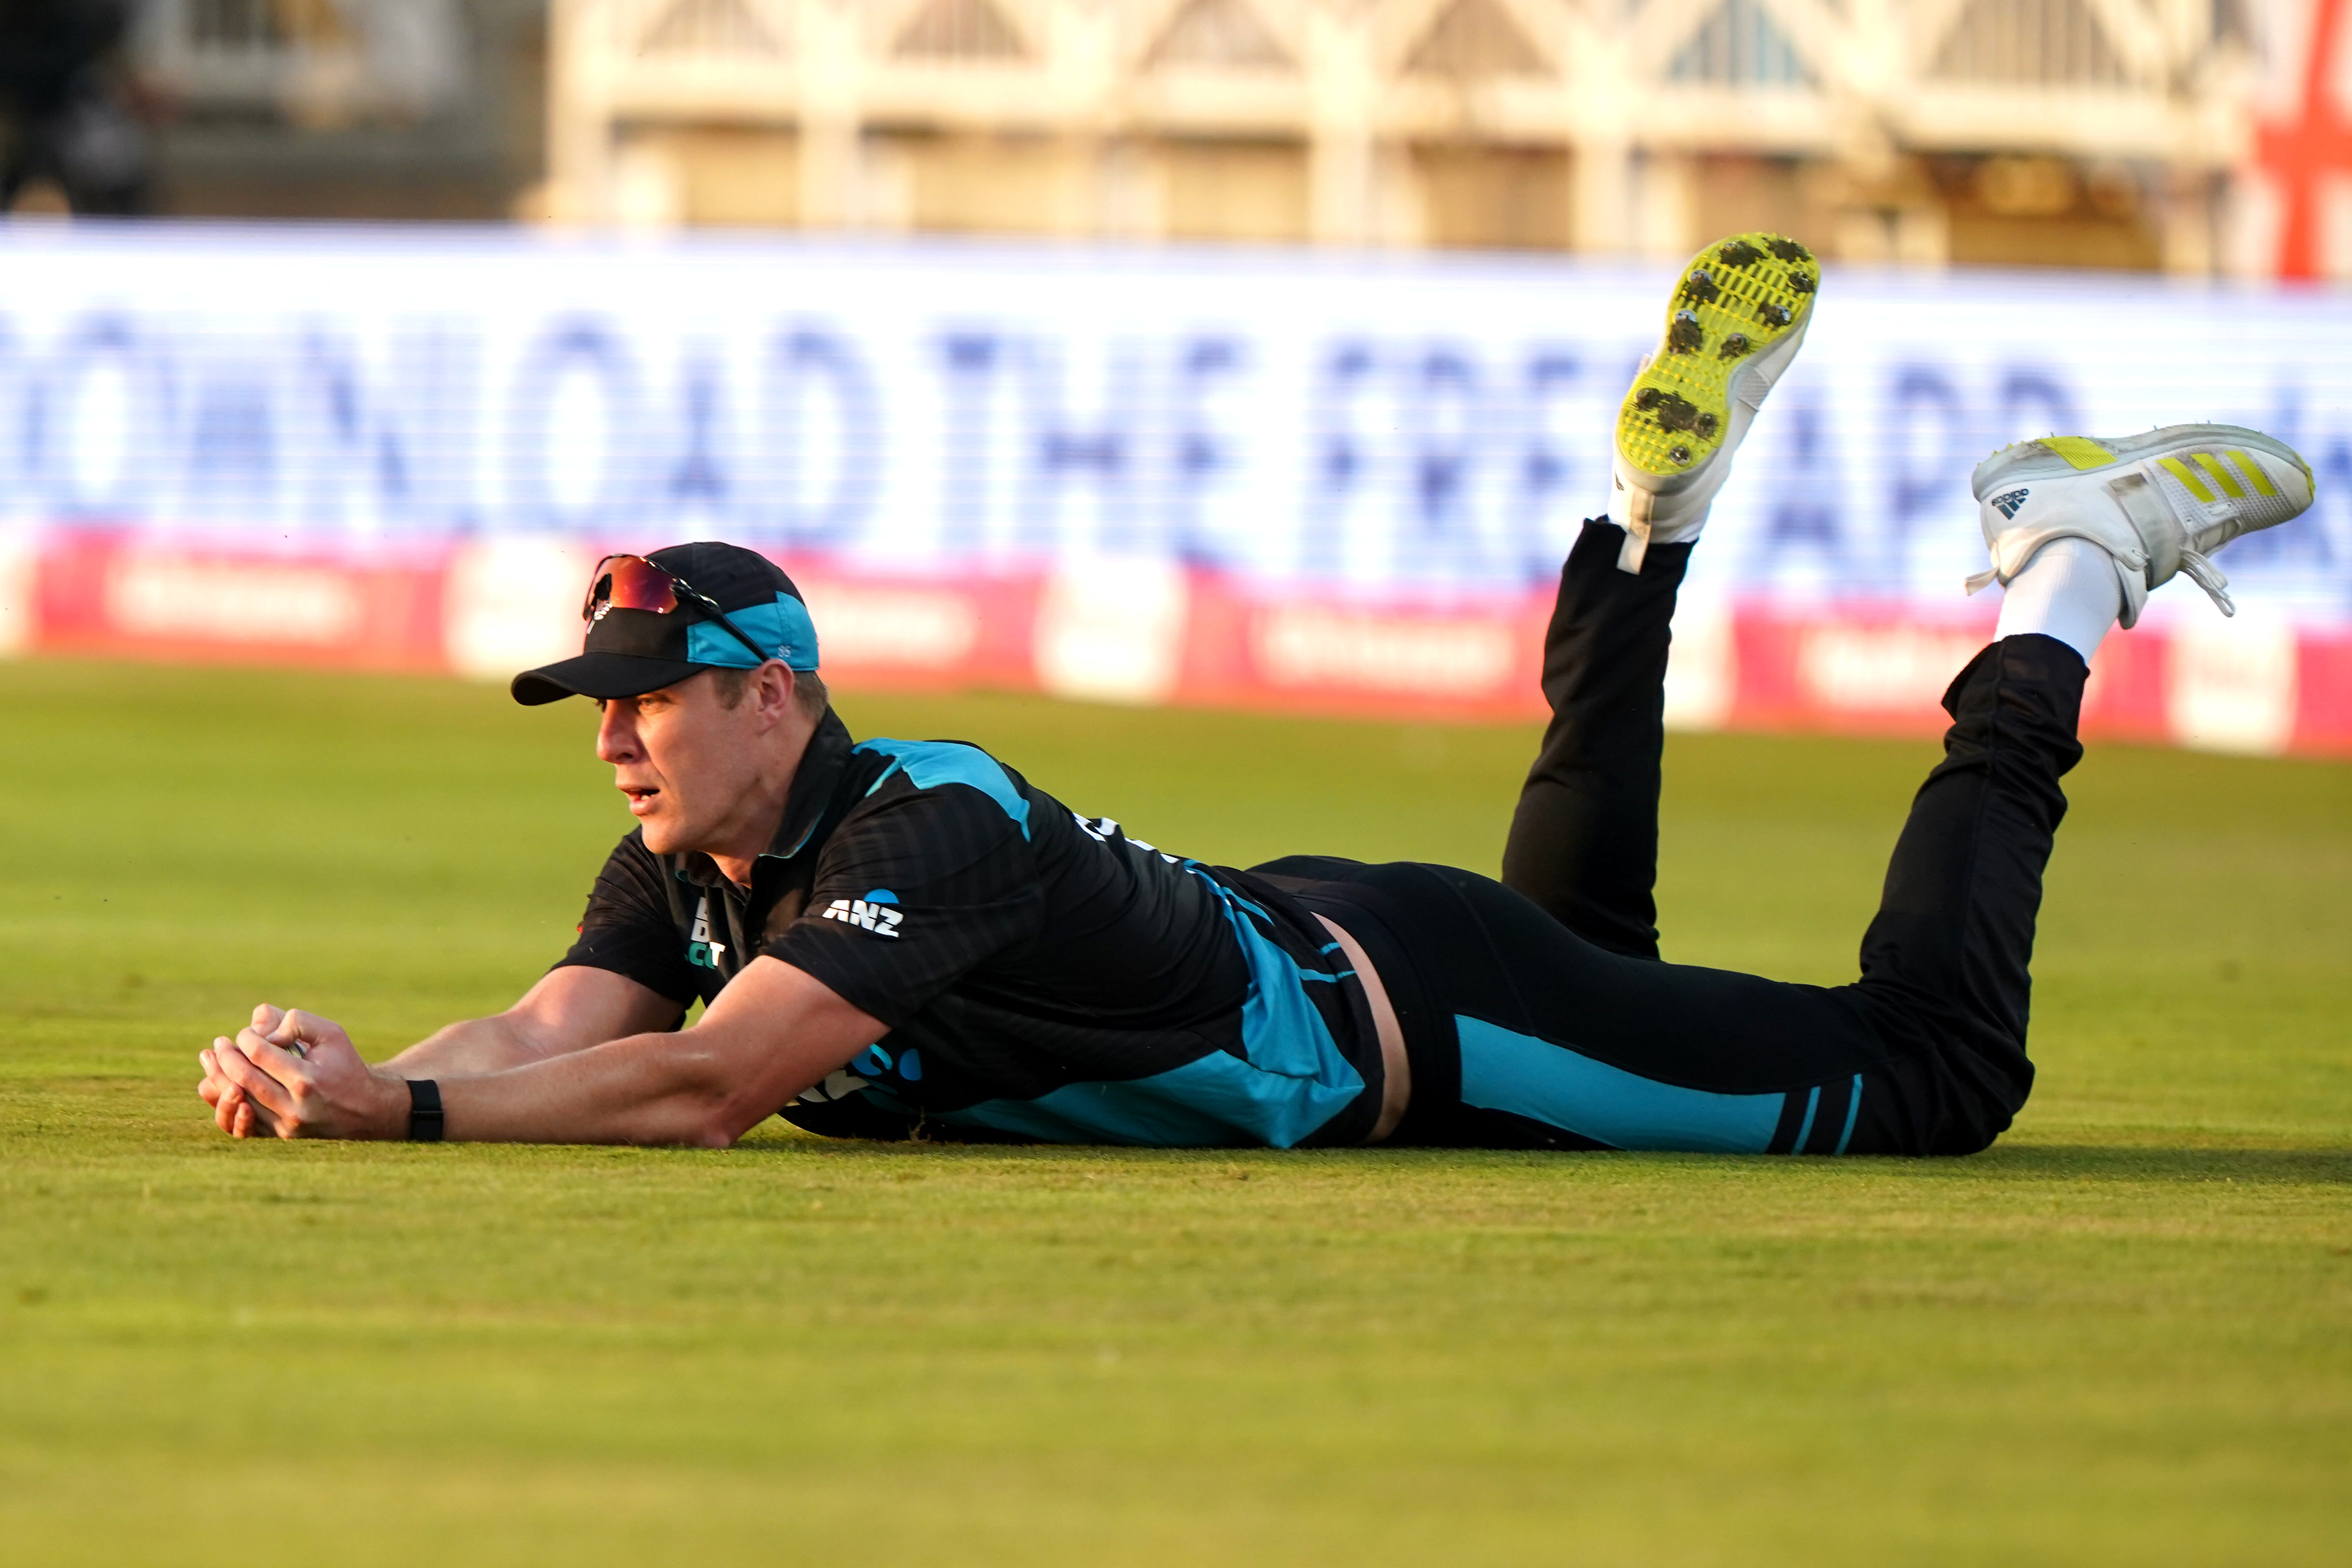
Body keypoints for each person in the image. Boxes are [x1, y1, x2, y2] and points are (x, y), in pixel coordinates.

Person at [198, 231, 2317, 1156]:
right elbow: (549, 1034)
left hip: (1433, 1022)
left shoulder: (921, 823)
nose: (613, 733)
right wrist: (352, 1074)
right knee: (1595, 942)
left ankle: (2063, 571)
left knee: (1929, 1071)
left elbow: (704, 1087)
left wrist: (407, 1116)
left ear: (777, 698)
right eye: (599, 700)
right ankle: (1646, 525)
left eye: (650, 696)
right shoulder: (695, 852)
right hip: (1341, 935)